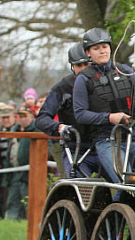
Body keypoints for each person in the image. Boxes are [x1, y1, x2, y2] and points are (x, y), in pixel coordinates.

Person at [73, 28, 135, 182]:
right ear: (88, 53)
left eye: (105, 47)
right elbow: (80, 114)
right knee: (127, 181)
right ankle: (118, 205)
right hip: (107, 141)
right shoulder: (83, 79)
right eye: (96, 48)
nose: (102, 51)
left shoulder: (125, 71)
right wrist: (109, 118)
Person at [36, 43, 102, 178]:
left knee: (123, 186)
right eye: (79, 66)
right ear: (72, 66)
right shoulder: (62, 88)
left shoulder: (105, 83)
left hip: (104, 146)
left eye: (86, 64)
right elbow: (42, 119)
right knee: (81, 189)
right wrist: (59, 127)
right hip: (75, 148)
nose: (83, 69)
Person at [4, 108, 38, 219]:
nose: (23, 119)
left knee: (30, 203)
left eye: (25, 116)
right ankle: (10, 223)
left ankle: (32, 224)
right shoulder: (14, 131)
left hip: (31, 174)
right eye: (20, 116)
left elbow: (48, 149)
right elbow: (8, 154)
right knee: (12, 202)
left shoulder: (37, 130)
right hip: (15, 172)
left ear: (31, 117)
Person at [0, 103, 16, 218]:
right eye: (3, 118)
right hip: (1, 168)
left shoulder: (17, 130)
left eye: (8, 117)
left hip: (14, 168)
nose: (6, 120)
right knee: (1, 196)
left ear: (13, 117)